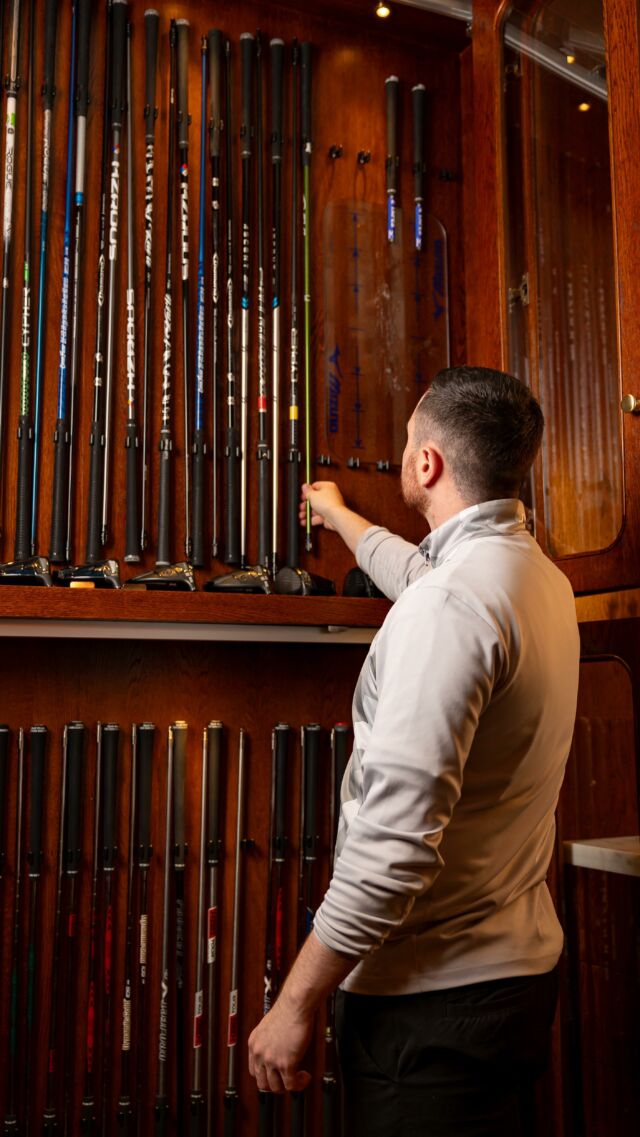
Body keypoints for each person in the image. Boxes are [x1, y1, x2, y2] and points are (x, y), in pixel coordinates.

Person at [248, 366, 580, 1137]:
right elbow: (420, 576)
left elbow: (391, 851)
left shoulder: (451, 606)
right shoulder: (536, 580)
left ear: (426, 462)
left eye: (406, 441)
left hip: (431, 1015)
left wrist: (295, 1001)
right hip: (511, 988)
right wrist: (339, 517)